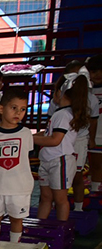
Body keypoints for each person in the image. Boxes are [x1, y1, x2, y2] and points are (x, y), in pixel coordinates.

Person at [0, 88, 34, 242]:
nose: (18, 113)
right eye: (14, 108)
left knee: (17, 220)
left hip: (19, 188)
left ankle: (14, 248)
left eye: (23, 109)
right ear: (1, 109)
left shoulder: (26, 133)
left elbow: (25, 158)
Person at [34, 73, 89, 222]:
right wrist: (28, 135)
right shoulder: (60, 114)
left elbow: (55, 140)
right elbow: (48, 133)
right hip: (48, 160)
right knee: (46, 197)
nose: (53, 94)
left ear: (61, 92)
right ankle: (40, 226)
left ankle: (61, 229)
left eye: (54, 91)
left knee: (60, 199)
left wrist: (30, 139)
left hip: (59, 161)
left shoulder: (64, 114)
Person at [49, 62, 98, 211]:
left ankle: (78, 208)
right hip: (59, 140)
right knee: (54, 174)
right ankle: (51, 204)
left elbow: (93, 121)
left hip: (78, 141)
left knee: (76, 175)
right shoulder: (57, 101)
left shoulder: (91, 99)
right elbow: (50, 122)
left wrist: (92, 139)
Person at [88, 55, 102, 195]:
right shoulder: (87, 92)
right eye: (94, 71)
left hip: (99, 134)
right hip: (90, 135)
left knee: (98, 165)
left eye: (100, 71)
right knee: (92, 165)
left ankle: (96, 190)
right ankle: (93, 189)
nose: (97, 75)